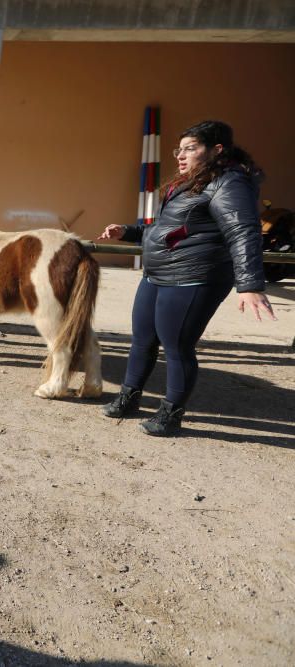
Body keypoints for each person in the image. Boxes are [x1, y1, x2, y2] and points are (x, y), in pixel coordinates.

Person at [98, 120, 276, 436]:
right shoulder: (191, 181)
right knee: (142, 339)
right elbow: (170, 228)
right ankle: (129, 397)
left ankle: (170, 414)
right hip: (158, 273)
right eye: (178, 149)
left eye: (190, 148)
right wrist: (129, 232)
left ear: (217, 150)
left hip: (193, 278)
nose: (180, 156)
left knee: (177, 345)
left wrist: (249, 284)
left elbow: (242, 231)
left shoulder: (229, 183)